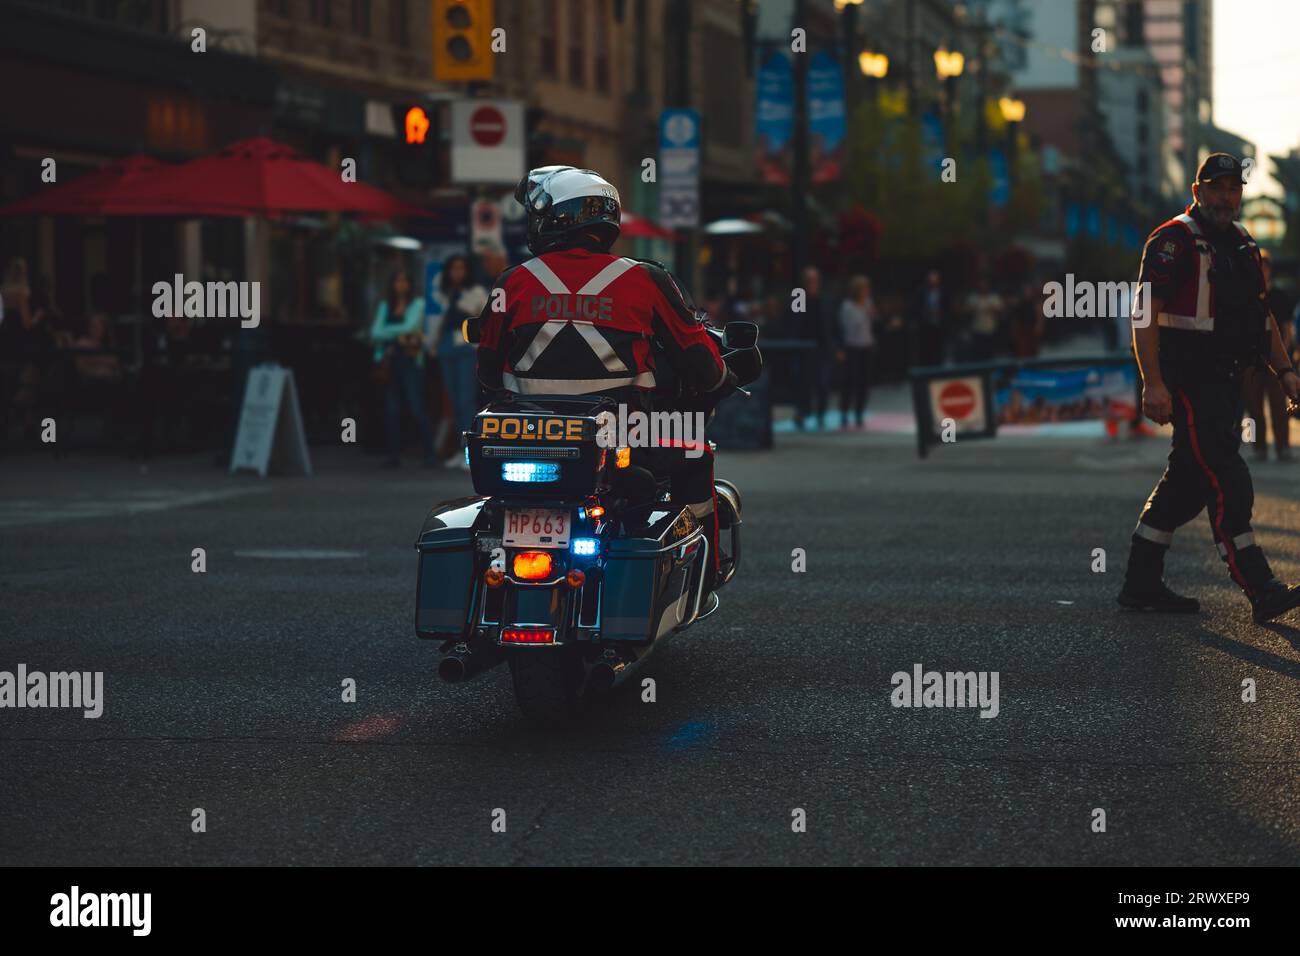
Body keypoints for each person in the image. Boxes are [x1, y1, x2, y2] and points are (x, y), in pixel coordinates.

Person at [474, 165, 733, 594]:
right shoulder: (645, 279)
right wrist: (722, 377)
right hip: (624, 437)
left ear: (553, 219)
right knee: (695, 450)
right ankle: (706, 573)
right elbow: (701, 363)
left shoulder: (513, 281)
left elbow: (486, 368)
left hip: (525, 438)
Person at [1117, 153, 1300, 623]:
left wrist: (1285, 372)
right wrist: (1153, 383)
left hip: (1227, 380)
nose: (1225, 197)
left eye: (1233, 188)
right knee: (1227, 477)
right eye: (1215, 188)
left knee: (1187, 483)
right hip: (1189, 380)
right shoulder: (1172, 241)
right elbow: (1144, 313)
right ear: (1197, 192)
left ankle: (1140, 583)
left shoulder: (1244, 244)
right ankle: (1261, 587)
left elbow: (1262, 318)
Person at [370, 266, 436, 468]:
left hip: (411, 359)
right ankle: (393, 454)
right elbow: (375, 332)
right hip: (390, 360)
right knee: (392, 408)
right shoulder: (385, 305)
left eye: (405, 281)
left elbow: (410, 327)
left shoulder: (417, 304)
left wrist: (388, 331)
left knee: (416, 407)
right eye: (397, 281)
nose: (401, 285)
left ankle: (429, 453)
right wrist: (397, 333)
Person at [427, 254, 489, 469]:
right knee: (453, 401)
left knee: (465, 399)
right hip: (447, 346)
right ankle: (460, 450)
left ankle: (470, 453)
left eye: (461, 268)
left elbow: (485, 319)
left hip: (465, 347)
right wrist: (432, 344)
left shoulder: (477, 292)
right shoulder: (444, 292)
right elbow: (439, 322)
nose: (457, 273)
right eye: (453, 269)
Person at [1241, 249, 1293, 462]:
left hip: (1274, 361)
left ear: (1270, 270)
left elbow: (1286, 328)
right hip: (1250, 361)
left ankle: (1283, 447)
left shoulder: (1279, 296)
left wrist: (1283, 359)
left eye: (1264, 267)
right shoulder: (1245, 296)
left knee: (1279, 406)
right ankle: (1258, 447)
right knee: (1253, 406)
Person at [785, 265, 836, 429]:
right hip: (803, 347)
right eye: (808, 280)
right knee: (802, 382)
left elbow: (832, 324)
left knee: (823, 382)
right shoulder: (799, 297)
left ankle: (821, 414)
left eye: (814, 280)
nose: (811, 283)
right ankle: (802, 412)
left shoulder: (825, 299)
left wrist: (836, 346)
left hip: (822, 347)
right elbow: (794, 321)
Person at [838, 275, 876, 430]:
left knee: (864, 382)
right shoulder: (847, 307)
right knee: (849, 381)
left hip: (866, 346)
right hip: (852, 347)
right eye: (863, 289)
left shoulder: (868, 303)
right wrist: (864, 311)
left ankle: (859, 412)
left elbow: (872, 323)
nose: (865, 292)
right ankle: (844, 412)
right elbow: (849, 326)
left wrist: (871, 313)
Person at [913, 269, 948, 367]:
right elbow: (916, 307)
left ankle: (938, 368)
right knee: (926, 351)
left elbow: (947, 309)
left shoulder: (943, 292)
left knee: (939, 351)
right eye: (931, 280)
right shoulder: (922, 292)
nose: (933, 282)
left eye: (935, 279)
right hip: (925, 326)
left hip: (939, 325)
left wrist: (940, 313)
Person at [964, 276, 1004, 362]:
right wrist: (971, 308)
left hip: (990, 330)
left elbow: (1000, 311)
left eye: (985, 284)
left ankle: (989, 370)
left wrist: (993, 309)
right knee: (978, 354)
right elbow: (966, 310)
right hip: (977, 330)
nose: (983, 286)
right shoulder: (973, 297)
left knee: (989, 354)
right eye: (981, 284)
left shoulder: (994, 297)